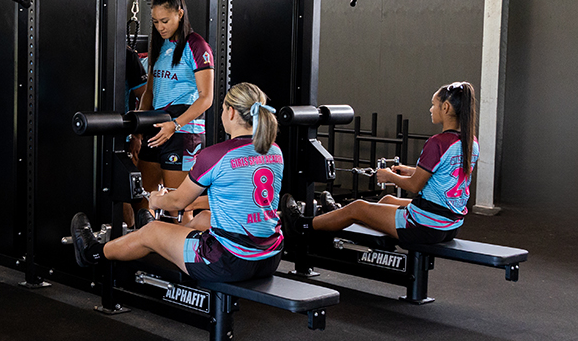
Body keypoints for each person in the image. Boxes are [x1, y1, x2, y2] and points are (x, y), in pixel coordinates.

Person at [72, 83, 283, 283]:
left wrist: (155, 200)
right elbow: (241, 198)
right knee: (204, 219)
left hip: (227, 262)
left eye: (222, 109)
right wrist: (195, 203)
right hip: (269, 257)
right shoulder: (274, 151)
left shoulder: (215, 155)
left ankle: (92, 252)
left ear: (231, 112)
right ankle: (161, 243)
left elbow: (176, 202)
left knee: (150, 232)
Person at [284, 82, 479, 245]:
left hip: (425, 226)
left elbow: (414, 186)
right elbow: (446, 173)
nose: (431, 109)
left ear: (445, 108)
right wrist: (409, 170)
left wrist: (390, 176)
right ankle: (337, 217)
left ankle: (301, 225)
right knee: (386, 201)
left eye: (434, 104)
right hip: (449, 224)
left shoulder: (438, 142)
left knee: (358, 207)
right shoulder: (470, 142)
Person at [134, 0, 214, 201]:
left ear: (180, 13)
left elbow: (206, 98)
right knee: (145, 198)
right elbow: (149, 92)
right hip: (156, 128)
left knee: (177, 205)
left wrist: (176, 124)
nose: (160, 27)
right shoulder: (159, 45)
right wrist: (138, 131)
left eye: (165, 21)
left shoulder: (196, 45)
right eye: (155, 21)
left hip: (183, 132)